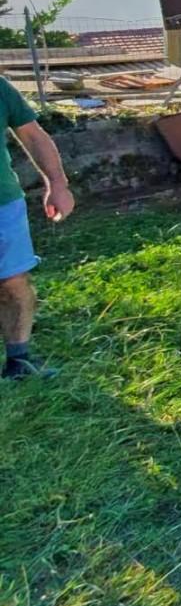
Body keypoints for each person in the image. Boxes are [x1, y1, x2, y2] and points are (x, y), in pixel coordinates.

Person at [1, 73, 73, 380]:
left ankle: (19, 361)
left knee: (13, 281)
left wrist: (57, 183)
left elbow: (32, 135)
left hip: (2, 202)